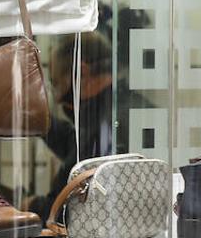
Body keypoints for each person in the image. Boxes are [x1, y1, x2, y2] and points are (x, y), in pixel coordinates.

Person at [37, 30, 140, 219]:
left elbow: (64, 210)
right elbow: (75, 145)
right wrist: (39, 120)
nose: (58, 98)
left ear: (82, 72)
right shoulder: (125, 106)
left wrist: (33, 207)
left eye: (56, 83)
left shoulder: (105, 124)